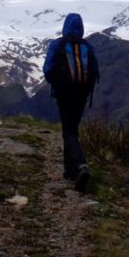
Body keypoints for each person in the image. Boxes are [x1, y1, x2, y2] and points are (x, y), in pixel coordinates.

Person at [43, 12, 99, 192]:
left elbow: (48, 69)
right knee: (72, 129)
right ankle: (70, 171)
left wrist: (57, 84)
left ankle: (81, 165)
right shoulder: (87, 47)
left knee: (68, 130)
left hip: (64, 93)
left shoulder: (58, 45)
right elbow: (95, 72)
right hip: (82, 94)